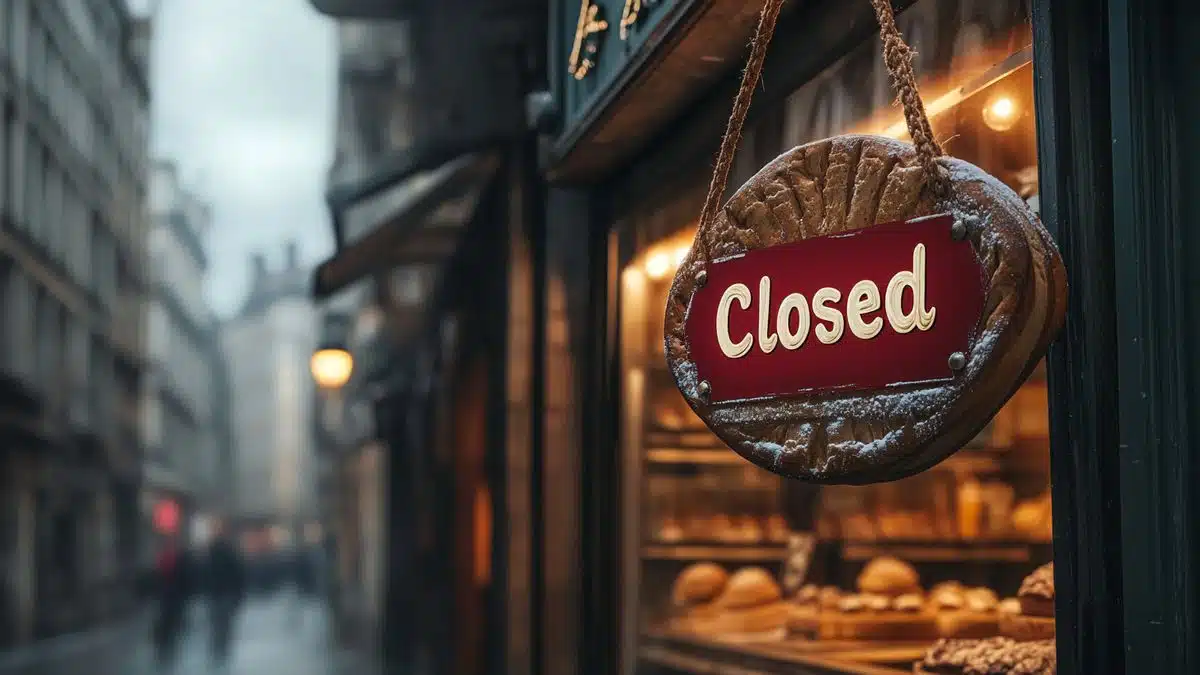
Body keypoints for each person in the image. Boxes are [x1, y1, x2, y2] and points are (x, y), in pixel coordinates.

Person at [204, 521, 245, 670]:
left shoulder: (210, 555)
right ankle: (222, 648)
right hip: (226, 593)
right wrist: (239, 595)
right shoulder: (231, 554)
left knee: (216, 622)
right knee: (225, 623)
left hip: (216, 593)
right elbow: (238, 574)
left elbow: (205, 575)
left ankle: (217, 648)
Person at [152, 532, 192, 672]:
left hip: (171, 594)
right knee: (169, 618)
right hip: (171, 594)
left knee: (168, 618)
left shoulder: (174, 558)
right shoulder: (172, 558)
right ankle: (166, 643)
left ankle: (165, 643)